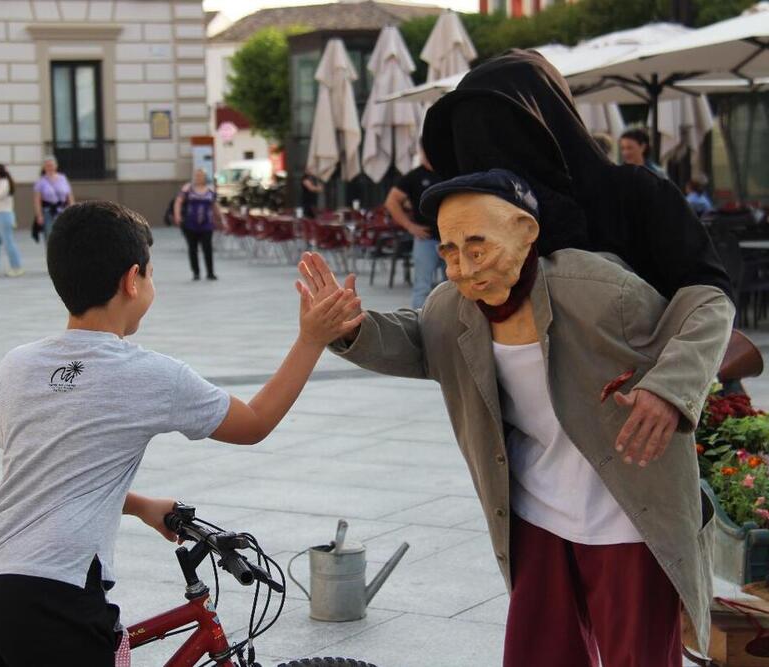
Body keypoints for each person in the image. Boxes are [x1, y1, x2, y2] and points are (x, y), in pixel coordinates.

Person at [300, 168, 734, 664]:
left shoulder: (598, 289)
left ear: (526, 232)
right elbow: (416, 340)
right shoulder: (451, 306)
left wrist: (668, 389)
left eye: (477, 246)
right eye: (449, 251)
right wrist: (349, 327)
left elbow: (707, 303)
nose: (463, 267)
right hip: (537, 516)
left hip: (627, 516)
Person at [0, 201, 362, 665]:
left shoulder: (18, 364)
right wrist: (311, 339)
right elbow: (255, 423)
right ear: (132, 280)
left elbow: (41, 471)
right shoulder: (149, 374)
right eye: (151, 273)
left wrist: (142, 506)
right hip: (55, 597)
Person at [421, 49, 730, 303]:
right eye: (467, 138)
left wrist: (663, 375)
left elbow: (708, 294)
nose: (481, 155)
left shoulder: (636, 194)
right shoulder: (478, 223)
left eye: (494, 132)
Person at [385, 154, 443, 308]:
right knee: (422, 287)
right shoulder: (415, 176)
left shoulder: (450, 170)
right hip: (426, 238)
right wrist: (410, 226)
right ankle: (419, 325)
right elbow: (391, 201)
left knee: (456, 287)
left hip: (453, 238)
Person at [173, 169, 223, 281]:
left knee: (207, 248)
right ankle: (196, 272)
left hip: (207, 224)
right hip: (191, 224)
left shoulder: (210, 190)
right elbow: (178, 201)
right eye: (197, 175)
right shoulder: (188, 189)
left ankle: (210, 272)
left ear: (205, 177)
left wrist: (220, 219)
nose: (199, 177)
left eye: (201, 175)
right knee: (192, 248)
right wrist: (177, 215)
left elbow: (215, 206)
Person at [33, 155, 74, 243]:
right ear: (44, 167)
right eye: (47, 166)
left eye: (51, 165)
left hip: (63, 211)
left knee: (64, 235)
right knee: (50, 236)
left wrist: (73, 210)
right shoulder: (40, 181)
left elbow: (69, 196)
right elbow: (37, 200)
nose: (50, 167)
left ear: (56, 166)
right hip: (48, 212)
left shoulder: (63, 178)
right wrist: (39, 215)